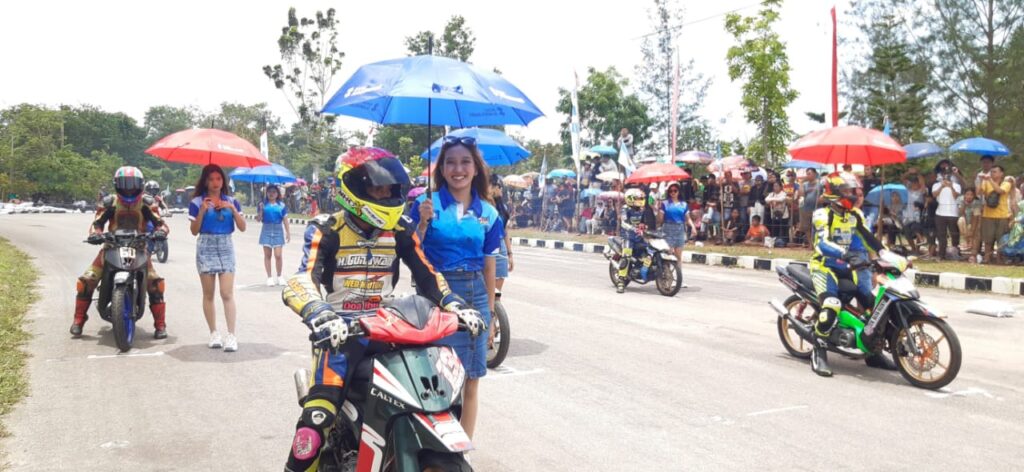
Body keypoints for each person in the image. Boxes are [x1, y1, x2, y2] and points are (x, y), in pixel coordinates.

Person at [280, 147, 482, 471]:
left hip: (389, 329)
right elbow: (303, 277)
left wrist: (456, 306)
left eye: (390, 189)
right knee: (317, 418)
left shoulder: (400, 229)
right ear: (354, 187)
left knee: (436, 394)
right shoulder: (327, 228)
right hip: (340, 336)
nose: (386, 195)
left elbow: (427, 274)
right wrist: (319, 313)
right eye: (377, 188)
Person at [411, 135, 502, 440]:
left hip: (475, 293)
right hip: (436, 293)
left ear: (476, 168)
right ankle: (435, 447)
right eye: (450, 162)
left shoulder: (489, 213)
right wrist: (421, 225)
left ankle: (461, 450)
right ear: (441, 169)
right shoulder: (427, 204)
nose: (458, 168)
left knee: (471, 379)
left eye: (465, 162)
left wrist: (489, 315)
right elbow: (411, 252)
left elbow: (489, 266)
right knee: (438, 376)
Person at [808, 172, 896, 377]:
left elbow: (868, 238)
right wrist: (845, 254)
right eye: (848, 191)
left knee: (873, 307)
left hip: (848, 268)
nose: (853, 195)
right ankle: (818, 351)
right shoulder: (822, 215)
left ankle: (873, 353)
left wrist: (887, 255)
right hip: (824, 267)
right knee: (831, 305)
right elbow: (821, 244)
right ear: (835, 193)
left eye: (853, 191)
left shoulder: (854, 215)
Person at [71, 167, 169, 338]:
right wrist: (95, 234)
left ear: (140, 185)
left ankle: (160, 325)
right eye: (125, 184)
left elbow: (161, 223)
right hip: (111, 247)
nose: (129, 188)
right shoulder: (109, 202)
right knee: (87, 280)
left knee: (155, 284)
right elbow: (97, 223)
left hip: (139, 248)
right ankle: (78, 320)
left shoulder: (147, 203)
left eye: (132, 184)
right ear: (117, 185)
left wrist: (161, 232)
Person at [189, 164, 246, 352]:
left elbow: (243, 227)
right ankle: (214, 332)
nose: (215, 183)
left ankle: (231, 335)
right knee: (208, 293)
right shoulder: (197, 202)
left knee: (227, 293)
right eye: (212, 179)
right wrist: (203, 210)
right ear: (205, 181)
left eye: (219, 179)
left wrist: (232, 208)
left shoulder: (232, 201)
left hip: (225, 245)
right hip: (206, 245)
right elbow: (194, 231)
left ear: (224, 181)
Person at [615, 188, 650, 293]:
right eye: (637, 198)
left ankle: (640, 271)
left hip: (639, 237)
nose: (640, 200)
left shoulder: (642, 209)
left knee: (648, 254)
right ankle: (621, 281)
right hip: (627, 236)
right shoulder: (625, 209)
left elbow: (643, 222)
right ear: (630, 199)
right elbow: (624, 223)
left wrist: (645, 227)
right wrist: (633, 228)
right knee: (626, 255)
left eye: (640, 198)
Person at [977, 165, 1012, 264]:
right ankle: (987, 258)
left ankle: (999, 259)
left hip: (1002, 215)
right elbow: (978, 192)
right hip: (987, 215)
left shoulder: (1006, 183)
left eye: (995, 172)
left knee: (1000, 239)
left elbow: (1000, 191)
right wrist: (980, 180)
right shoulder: (986, 182)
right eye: (991, 172)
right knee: (988, 239)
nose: (992, 174)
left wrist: (990, 181)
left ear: (1001, 173)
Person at [258, 184, 291, 286]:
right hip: (266, 229)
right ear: (266, 193)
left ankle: (280, 276)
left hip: (278, 230)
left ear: (277, 194)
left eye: (274, 192)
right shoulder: (262, 204)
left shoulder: (281, 205)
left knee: (278, 255)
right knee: (267, 255)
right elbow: (259, 219)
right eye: (269, 192)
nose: (271, 194)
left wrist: (288, 232)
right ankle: (269, 277)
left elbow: (285, 220)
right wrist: (260, 210)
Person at [658, 182, 689, 285]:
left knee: (678, 256)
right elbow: (660, 219)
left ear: (678, 192)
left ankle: (679, 279)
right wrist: (659, 211)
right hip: (668, 228)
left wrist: (692, 228)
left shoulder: (684, 204)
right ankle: (667, 277)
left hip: (679, 229)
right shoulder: (665, 203)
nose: (673, 193)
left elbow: (687, 219)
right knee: (668, 255)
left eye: (675, 190)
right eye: (671, 191)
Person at [931, 172, 961, 259]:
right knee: (941, 235)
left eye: (948, 175)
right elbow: (934, 195)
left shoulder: (956, 185)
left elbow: (956, 196)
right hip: (940, 213)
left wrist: (951, 186)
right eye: (944, 175)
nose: (946, 177)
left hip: (953, 214)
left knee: (954, 234)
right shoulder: (936, 185)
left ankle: (956, 253)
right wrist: (942, 186)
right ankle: (941, 254)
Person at [797, 169, 821, 248]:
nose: (808, 175)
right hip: (806, 208)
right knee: (807, 227)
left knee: (817, 226)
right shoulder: (805, 184)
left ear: (815, 174)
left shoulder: (820, 183)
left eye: (809, 173)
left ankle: (818, 243)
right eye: (807, 174)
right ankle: (811, 244)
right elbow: (801, 195)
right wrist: (801, 183)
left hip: (817, 208)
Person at [766, 182, 791, 246]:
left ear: (780, 187)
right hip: (774, 215)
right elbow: (766, 199)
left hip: (783, 215)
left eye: (777, 186)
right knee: (775, 229)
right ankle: (775, 242)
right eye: (774, 186)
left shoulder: (784, 194)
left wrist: (772, 200)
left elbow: (781, 199)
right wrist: (774, 200)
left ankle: (784, 243)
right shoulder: (771, 194)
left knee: (784, 230)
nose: (775, 187)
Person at [958, 188, 982, 254]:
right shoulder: (961, 201)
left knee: (975, 235)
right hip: (966, 222)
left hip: (975, 222)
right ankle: (967, 240)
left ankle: (974, 251)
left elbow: (976, 216)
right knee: (961, 220)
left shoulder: (977, 202)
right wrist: (964, 205)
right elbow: (961, 213)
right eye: (967, 194)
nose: (969, 196)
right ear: (964, 195)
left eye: (971, 195)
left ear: (974, 196)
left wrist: (972, 230)